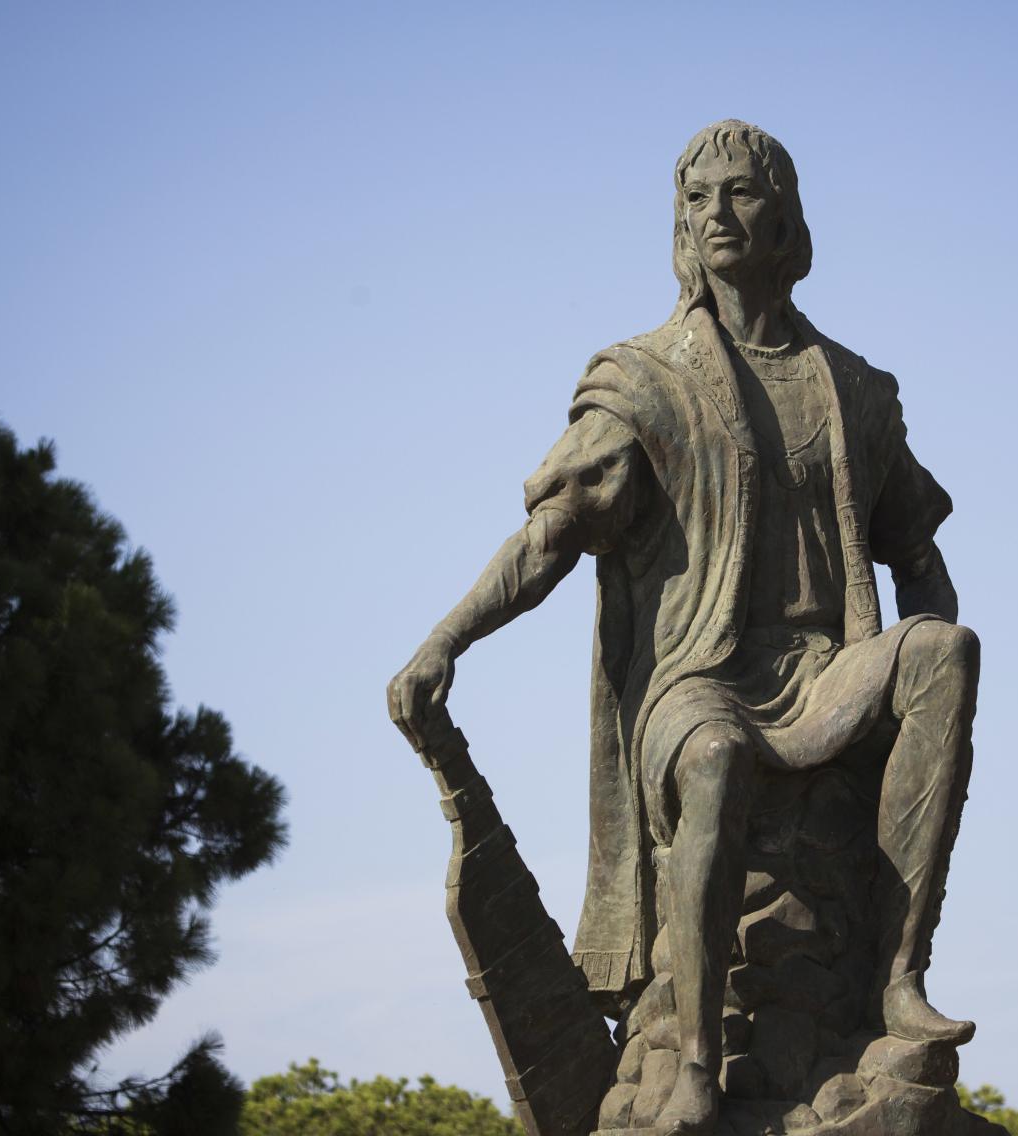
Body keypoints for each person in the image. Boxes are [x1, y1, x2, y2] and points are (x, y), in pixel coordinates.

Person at [388, 120, 979, 1136]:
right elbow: (550, 535)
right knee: (714, 756)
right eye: (696, 198)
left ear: (784, 217)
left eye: (739, 193)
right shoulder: (647, 375)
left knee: (943, 653)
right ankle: (698, 1064)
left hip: (824, 669)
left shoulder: (852, 387)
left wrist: (916, 713)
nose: (715, 214)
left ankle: (896, 979)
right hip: (695, 683)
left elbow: (916, 553)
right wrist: (446, 639)